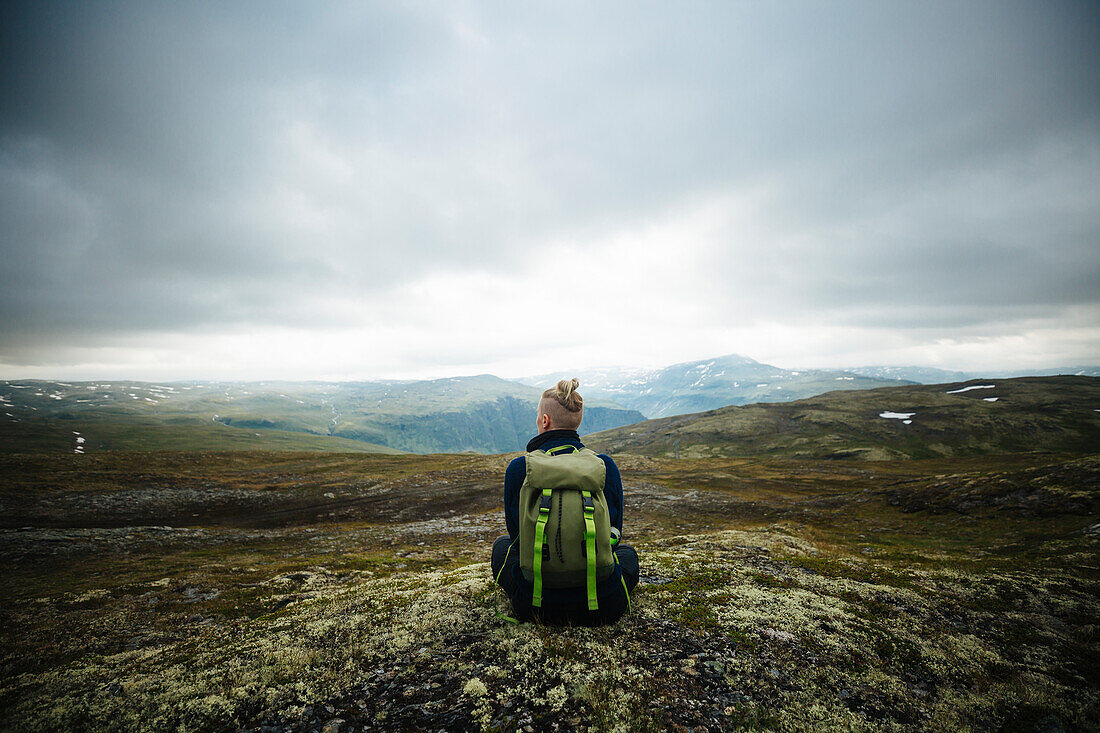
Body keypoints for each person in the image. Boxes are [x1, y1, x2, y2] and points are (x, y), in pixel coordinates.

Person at [491, 378, 639, 625]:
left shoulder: (519, 469)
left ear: (545, 421)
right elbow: (614, 535)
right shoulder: (604, 466)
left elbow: (518, 539)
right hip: (603, 603)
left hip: (535, 605)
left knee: (502, 546)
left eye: (538, 416)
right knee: (627, 553)